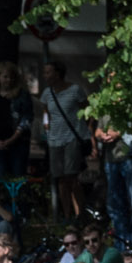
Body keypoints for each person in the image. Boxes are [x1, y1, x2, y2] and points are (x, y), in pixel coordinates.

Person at [38, 60, 91, 220]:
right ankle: (66, 215)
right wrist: (46, 128)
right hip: (54, 140)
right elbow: (46, 112)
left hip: (72, 138)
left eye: (48, 72)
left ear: (58, 73)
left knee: (72, 176)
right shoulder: (47, 93)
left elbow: (86, 110)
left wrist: (85, 130)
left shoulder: (75, 90)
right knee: (60, 178)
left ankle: (80, 213)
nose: (45, 76)